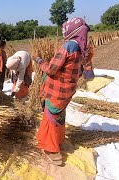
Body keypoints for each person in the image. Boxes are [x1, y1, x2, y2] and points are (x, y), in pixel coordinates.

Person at [35, 17, 90, 165]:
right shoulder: (81, 47)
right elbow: (79, 72)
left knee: (51, 118)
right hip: (68, 91)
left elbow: (51, 69)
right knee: (59, 116)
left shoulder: (69, 46)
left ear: (71, 30)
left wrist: (40, 62)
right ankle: (59, 141)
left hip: (56, 92)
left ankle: (52, 150)